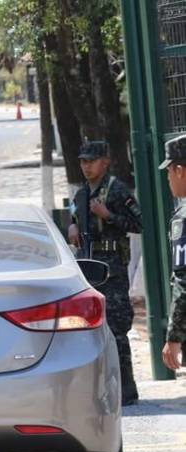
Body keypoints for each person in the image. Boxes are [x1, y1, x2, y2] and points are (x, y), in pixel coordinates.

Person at [68, 141, 143, 405]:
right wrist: (72, 227)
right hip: (89, 267)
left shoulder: (117, 189)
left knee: (116, 328)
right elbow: (76, 219)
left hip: (112, 269)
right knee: (88, 329)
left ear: (105, 162)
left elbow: (138, 222)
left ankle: (127, 391)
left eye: (92, 160)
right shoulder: (82, 193)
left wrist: (108, 214)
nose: (87, 166)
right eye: (83, 161)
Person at [161, 135, 186, 372]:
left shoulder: (184, 218)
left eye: (168, 172)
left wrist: (173, 336)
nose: (168, 179)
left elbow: (184, 282)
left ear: (179, 171)